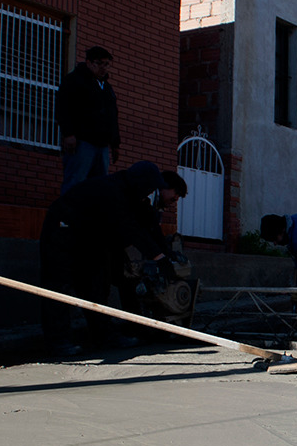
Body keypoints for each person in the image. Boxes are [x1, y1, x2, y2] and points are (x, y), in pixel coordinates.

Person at [40, 161, 187, 357]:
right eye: (150, 188)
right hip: (62, 231)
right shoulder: (113, 191)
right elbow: (130, 228)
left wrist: (165, 256)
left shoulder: (132, 196)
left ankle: (104, 336)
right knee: (59, 287)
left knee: (96, 287)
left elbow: (146, 229)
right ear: (141, 183)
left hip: (89, 239)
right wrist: (159, 257)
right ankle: (58, 342)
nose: (151, 193)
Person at [56, 45, 120, 193]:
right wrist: (69, 133)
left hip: (102, 144)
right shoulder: (74, 81)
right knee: (75, 182)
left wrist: (115, 143)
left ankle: (90, 215)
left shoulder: (107, 88)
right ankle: (68, 214)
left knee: (98, 186)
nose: (103, 68)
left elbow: (112, 116)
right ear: (89, 63)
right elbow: (63, 107)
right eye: (99, 63)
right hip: (82, 142)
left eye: (106, 64)